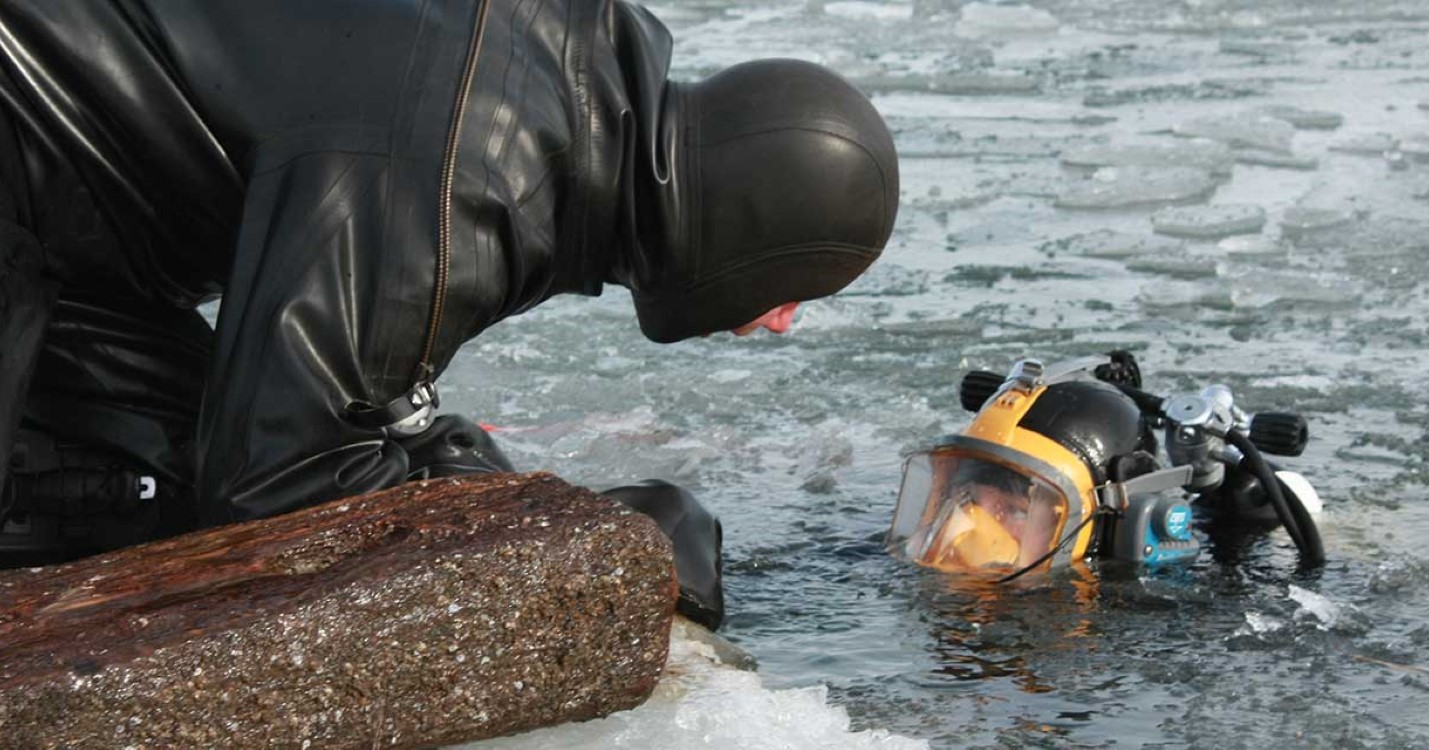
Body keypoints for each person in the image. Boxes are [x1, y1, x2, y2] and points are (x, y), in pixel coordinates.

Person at [0, 0, 900, 610]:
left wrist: (459, 471)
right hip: (29, 161)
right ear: (751, 235)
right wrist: (586, 544)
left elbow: (309, 414)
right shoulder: (474, 179)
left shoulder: (556, 68)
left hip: (70, 214)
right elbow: (274, 492)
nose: (783, 321)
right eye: (796, 290)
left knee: (149, 467)